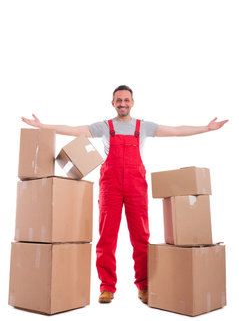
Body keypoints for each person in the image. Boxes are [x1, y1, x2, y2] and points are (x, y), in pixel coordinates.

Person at [21, 85, 228, 304]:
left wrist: (206, 128)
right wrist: (43, 126)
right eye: (119, 100)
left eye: (126, 100)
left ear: (132, 102)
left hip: (135, 186)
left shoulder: (143, 127)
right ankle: (107, 287)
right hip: (110, 187)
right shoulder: (104, 126)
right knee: (106, 239)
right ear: (113, 103)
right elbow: (75, 129)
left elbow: (176, 131)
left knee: (141, 238)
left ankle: (145, 286)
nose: (122, 104)